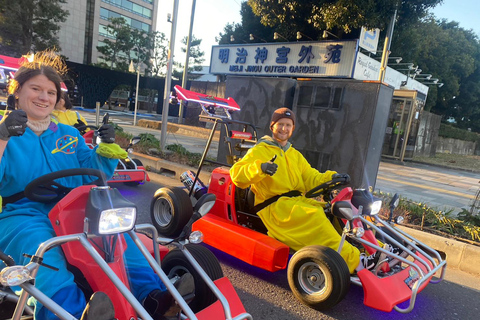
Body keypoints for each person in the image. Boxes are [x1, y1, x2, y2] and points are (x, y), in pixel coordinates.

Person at [0, 51, 193, 320]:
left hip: (73, 207)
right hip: (25, 211)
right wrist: (3, 137)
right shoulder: (5, 131)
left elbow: (93, 172)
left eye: (51, 92)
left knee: (121, 238)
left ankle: (154, 299)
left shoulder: (67, 134)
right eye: (36, 89)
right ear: (18, 91)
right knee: (45, 249)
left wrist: (103, 147)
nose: (44, 97)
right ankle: (72, 312)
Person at [229, 107, 383, 274]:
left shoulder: (294, 154)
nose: (284, 128)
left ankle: (377, 250)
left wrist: (332, 177)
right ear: (272, 126)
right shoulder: (260, 150)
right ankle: (357, 262)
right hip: (275, 207)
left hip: (295, 203)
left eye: (288, 125)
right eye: (280, 124)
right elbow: (236, 175)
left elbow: (311, 177)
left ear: (292, 129)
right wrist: (260, 168)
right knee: (315, 216)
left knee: (332, 213)